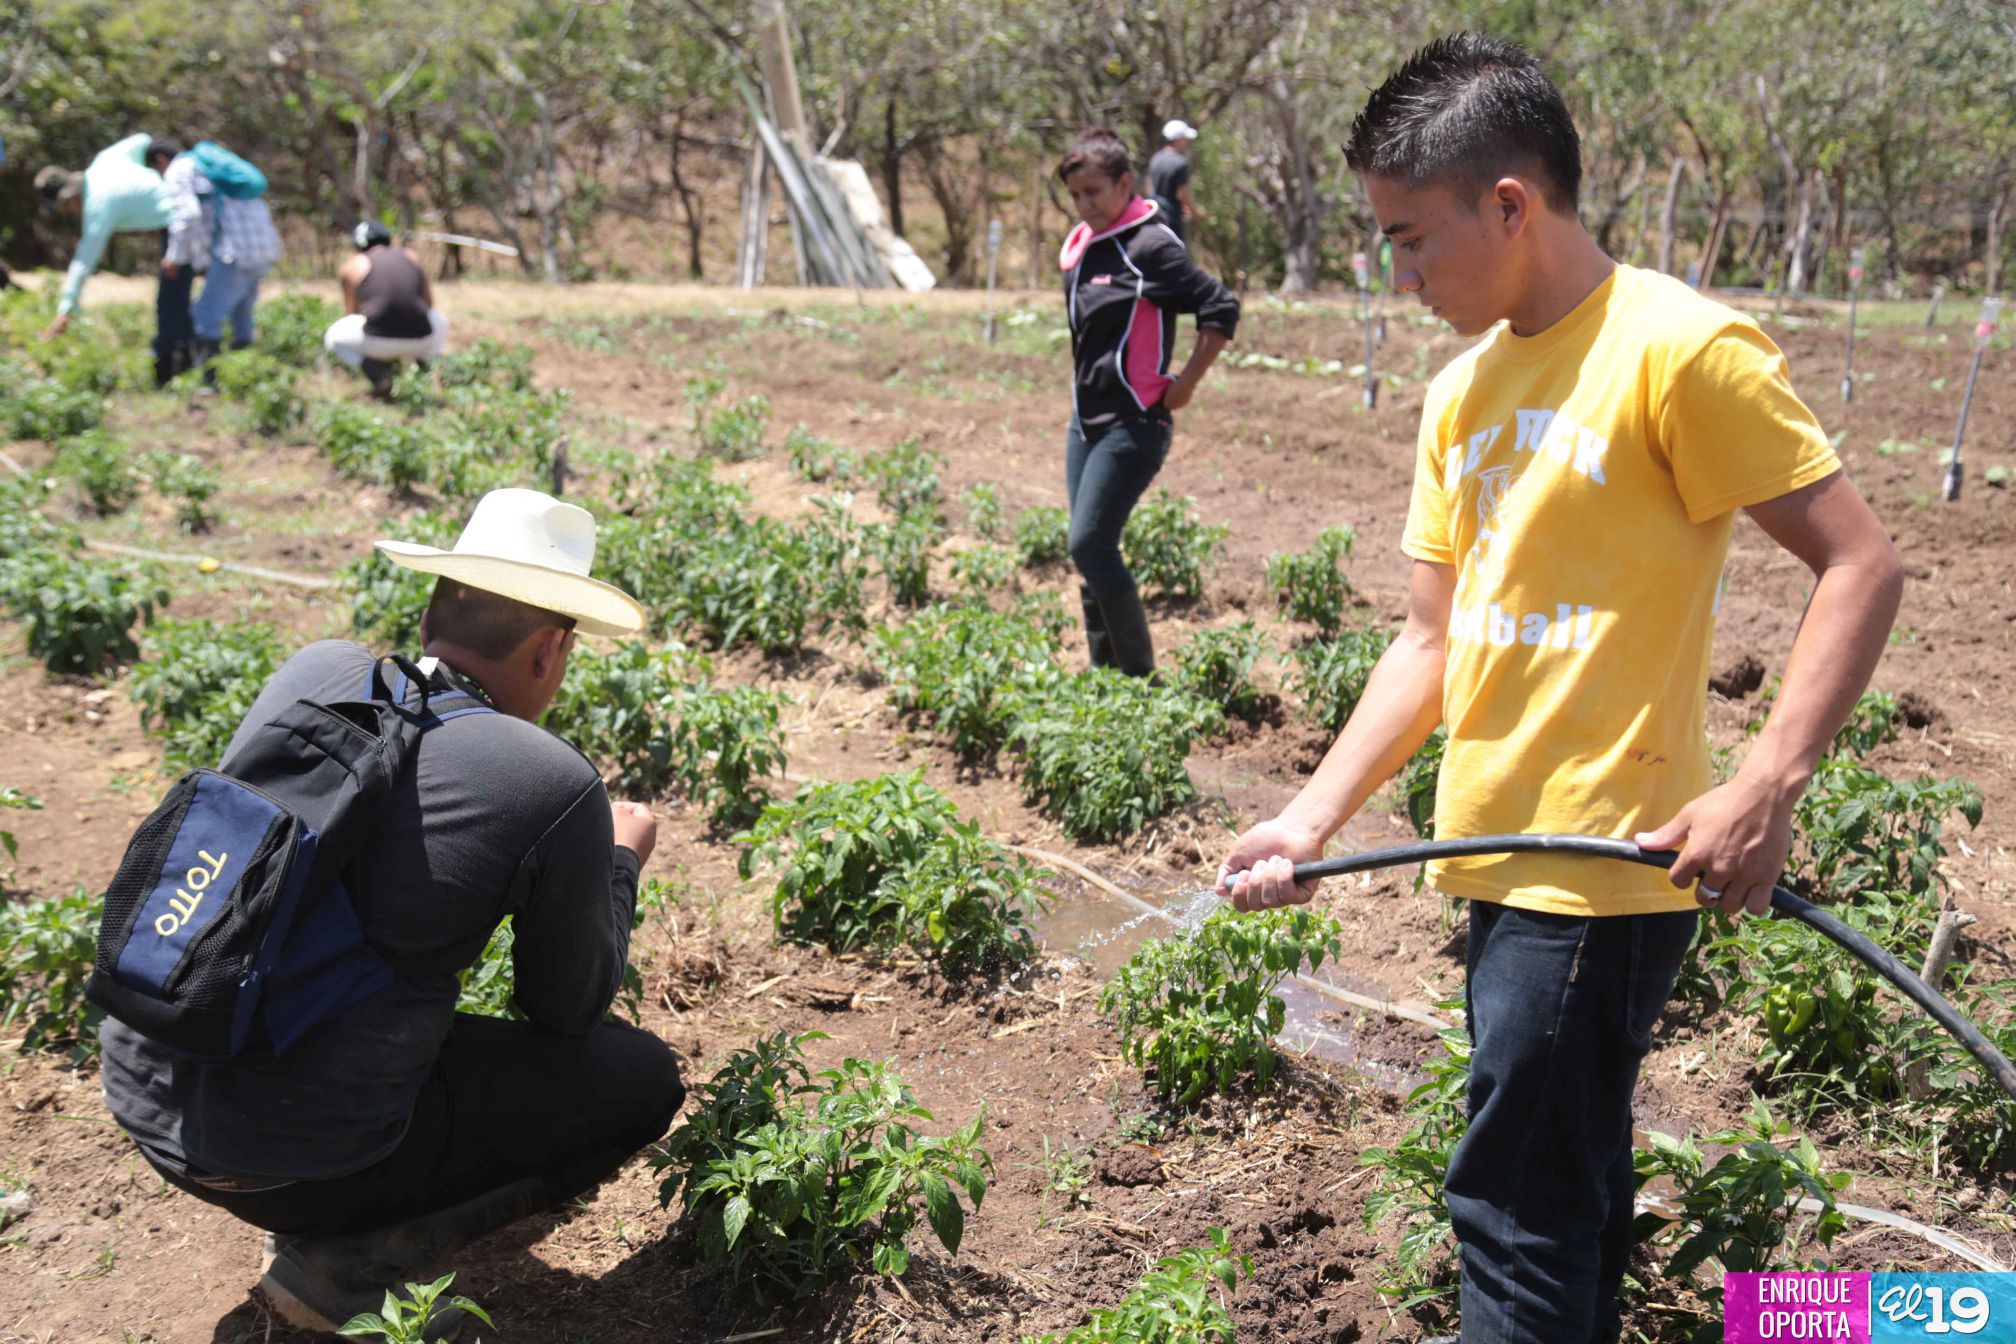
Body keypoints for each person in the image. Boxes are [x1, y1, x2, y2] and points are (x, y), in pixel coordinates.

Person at [1215, 33, 1901, 1344]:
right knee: (1556, 1197)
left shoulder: (1677, 351)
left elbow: (1861, 564)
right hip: (1497, 850)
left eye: (1413, 239)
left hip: (1601, 863)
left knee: (1512, 1210)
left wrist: (1767, 782)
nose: (1400, 275)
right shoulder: (1462, 391)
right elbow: (1431, 640)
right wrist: (1310, 818)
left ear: (1511, 206)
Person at [98, 488, 686, 1336]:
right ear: (552, 648)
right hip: (297, 1165)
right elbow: (567, 1008)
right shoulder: (551, 781)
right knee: (638, 1079)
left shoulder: (314, 671)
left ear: (431, 612)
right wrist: (619, 861)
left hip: (146, 1090)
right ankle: (347, 1257)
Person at [1057, 126, 1239, 676]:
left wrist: (1186, 382)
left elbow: (1220, 307)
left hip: (1133, 422)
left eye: (1093, 192)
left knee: (1089, 543)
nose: (1084, 205)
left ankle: (1138, 681)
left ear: (1124, 182)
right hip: (1085, 421)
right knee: (1091, 553)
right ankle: (1105, 680)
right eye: (1074, 195)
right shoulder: (1084, 246)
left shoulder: (1150, 246)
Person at [34, 134, 178, 348]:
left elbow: (84, 261)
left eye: (65, 208)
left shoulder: (97, 205)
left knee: (171, 302)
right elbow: (141, 140)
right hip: (186, 209)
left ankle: (176, 361)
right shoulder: (105, 160)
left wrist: (65, 309)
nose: (68, 213)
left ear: (70, 196)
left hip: (180, 224)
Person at [327, 221, 449, 397]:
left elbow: (351, 313)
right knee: (438, 319)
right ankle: (427, 370)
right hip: (423, 339)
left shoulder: (352, 266)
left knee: (334, 335)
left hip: (379, 342)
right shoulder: (411, 256)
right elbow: (429, 304)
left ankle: (379, 376)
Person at [189, 181, 284, 364]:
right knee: (242, 314)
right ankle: (244, 369)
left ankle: (208, 378)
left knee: (205, 316)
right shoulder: (245, 191)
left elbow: (193, 221)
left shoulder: (199, 185)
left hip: (233, 258)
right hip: (263, 255)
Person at [1146, 119, 1206, 246]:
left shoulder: (1156, 158)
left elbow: (1149, 187)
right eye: (1185, 138)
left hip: (1155, 216)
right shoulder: (1180, 163)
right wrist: (1195, 213)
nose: (1187, 142)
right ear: (1178, 139)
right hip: (1172, 218)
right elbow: (1181, 194)